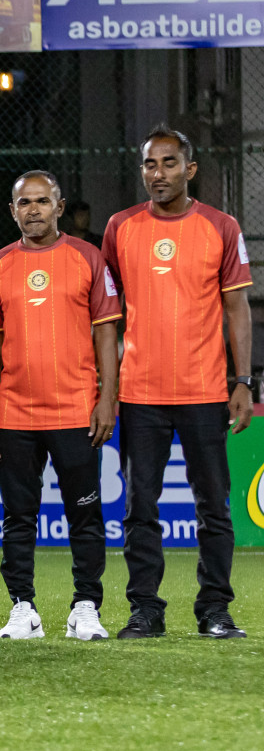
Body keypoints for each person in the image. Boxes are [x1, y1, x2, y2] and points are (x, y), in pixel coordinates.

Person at [103, 125, 252, 639]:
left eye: (169, 163)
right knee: (139, 507)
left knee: (214, 507)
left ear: (189, 169)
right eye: (149, 164)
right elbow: (106, 313)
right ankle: (145, 609)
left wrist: (244, 381)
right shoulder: (119, 228)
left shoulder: (221, 226)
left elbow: (238, 309)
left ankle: (215, 609)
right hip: (140, 394)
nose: (158, 174)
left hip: (206, 390)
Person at [0, 171, 120, 641]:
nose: (33, 209)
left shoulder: (88, 257)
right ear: (12, 210)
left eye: (42, 201)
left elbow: (106, 333)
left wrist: (106, 399)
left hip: (77, 411)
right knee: (18, 516)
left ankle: (86, 606)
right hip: (16, 413)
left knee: (85, 514)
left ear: (59, 207)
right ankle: (24, 608)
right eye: (24, 202)